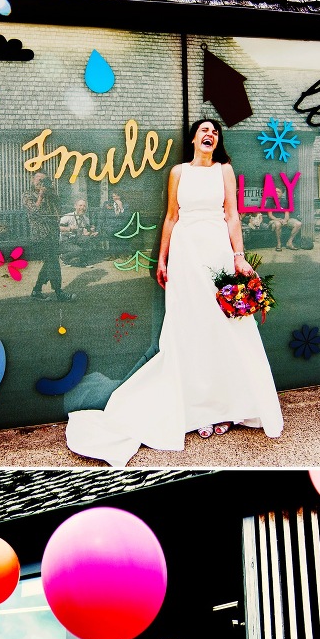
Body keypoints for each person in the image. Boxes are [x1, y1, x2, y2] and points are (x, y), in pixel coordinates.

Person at [66, 119, 283, 466]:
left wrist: (238, 256)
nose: (210, 134)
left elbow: (232, 215)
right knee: (189, 329)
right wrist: (163, 259)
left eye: (215, 132)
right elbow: (171, 217)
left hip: (216, 251)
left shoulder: (224, 170)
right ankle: (197, 410)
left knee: (223, 327)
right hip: (185, 255)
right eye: (204, 130)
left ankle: (228, 408)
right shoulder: (178, 172)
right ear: (193, 139)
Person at [22, 171, 69, 300]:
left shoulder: (50, 195)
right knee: (53, 261)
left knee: (50, 261)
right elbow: (35, 211)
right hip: (41, 234)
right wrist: (41, 196)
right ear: (33, 180)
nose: (41, 183)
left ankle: (36, 290)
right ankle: (59, 293)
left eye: (44, 180)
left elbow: (59, 212)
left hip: (53, 233)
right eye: (39, 179)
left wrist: (52, 193)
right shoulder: (27, 195)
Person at [60, 198, 100, 265]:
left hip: (77, 240)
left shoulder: (86, 219)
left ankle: (76, 258)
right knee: (79, 250)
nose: (82, 208)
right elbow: (57, 227)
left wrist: (91, 232)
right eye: (80, 205)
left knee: (87, 240)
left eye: (84, 206)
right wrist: (69, 228)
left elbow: (85, 234)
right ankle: (63, 257)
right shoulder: (68, 216)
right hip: (66, 241)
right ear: (75, 206)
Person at [268, 186, 302, 251]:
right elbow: (270, 215)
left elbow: (287, 214)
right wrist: (279, 220)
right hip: (274, 220)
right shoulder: (270, 201)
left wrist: (285, 220)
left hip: (284, 220)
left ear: (282, 194)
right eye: (275, 192)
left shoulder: (285, 202)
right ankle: (279, 244)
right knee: (278, 224)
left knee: (298, 224)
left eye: (278, 192)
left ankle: (289, 242)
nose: (276, 193)